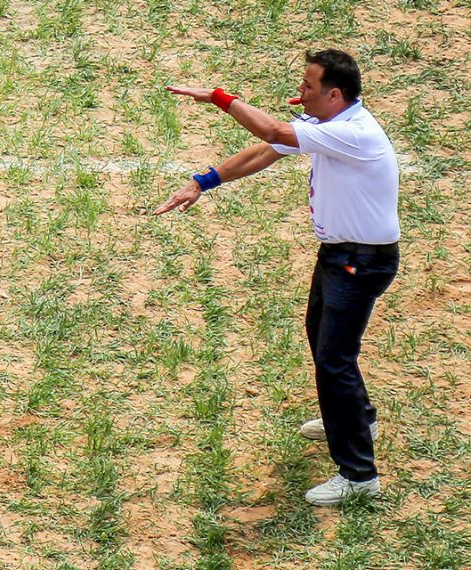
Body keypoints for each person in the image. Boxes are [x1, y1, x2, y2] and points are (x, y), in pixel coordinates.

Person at [154, 49, 399, 506]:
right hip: (342, 256)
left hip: (360, 262)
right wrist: (203, 182)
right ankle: (356, 418)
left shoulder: (352, 133)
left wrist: (219, 98)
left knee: (334, 359)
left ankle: (360, 475)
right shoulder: (328, 127)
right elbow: (266, 150)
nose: (299, 92)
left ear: (335, 94)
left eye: (308, 86)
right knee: (322, 340)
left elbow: (270, 130)